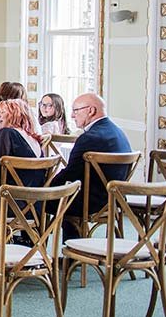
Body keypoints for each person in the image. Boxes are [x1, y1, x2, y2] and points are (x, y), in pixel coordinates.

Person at [49, 93, 131, 240]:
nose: (73, 116)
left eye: (76, 110)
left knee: (37, 200)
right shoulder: (118, 132)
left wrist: (45, 186)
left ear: (91, 111)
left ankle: (34, 249)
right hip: (113, 198)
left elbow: (70, 174)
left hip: (91, 202)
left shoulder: (89, 138)